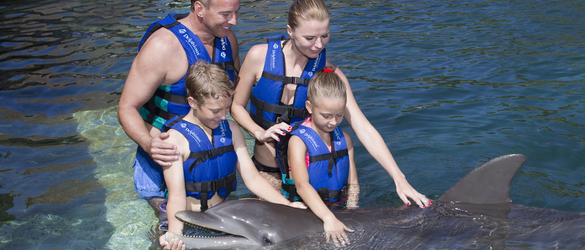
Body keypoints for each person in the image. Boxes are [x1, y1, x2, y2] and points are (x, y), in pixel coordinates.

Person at [230, 0, 431, 208]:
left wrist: (400, 179)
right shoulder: (259, 56)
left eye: (324, 35)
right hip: (268, 170)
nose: (318, 45)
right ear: (290, 30)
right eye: (309, 37)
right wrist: (258, 132)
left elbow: (363, 128)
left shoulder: (328, 73)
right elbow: (236, 106)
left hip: (310, 174)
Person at [158, 61, 305, 250]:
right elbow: (176, 196)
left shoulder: (231, 130)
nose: (223, 116)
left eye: (226, 108)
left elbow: (252, 178)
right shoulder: (173, 140)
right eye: (215, 111)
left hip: (220, 219)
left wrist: (286, 205)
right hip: (187, 220)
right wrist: (176, 236)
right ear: (192, 102)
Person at [117, 0, 241, 215]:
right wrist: (149, 144)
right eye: (226, 14)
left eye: (237, 12)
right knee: (168, 230)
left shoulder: (227, 40)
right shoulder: (162, 46)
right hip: (165, 158)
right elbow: (126, 107)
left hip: (208, 160)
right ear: (200, 8)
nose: (234, 21)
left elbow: (231, 93)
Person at [277, 68, 358, 247]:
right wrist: (328, 217)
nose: (333, 122)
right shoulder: (298, 142)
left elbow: (353, 182)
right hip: (304, 211)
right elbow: (302, 186)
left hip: (338, 206)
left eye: (339, 115)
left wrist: (353, 210)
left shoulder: (344, 138)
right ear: (309, 107)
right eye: (326, 116)